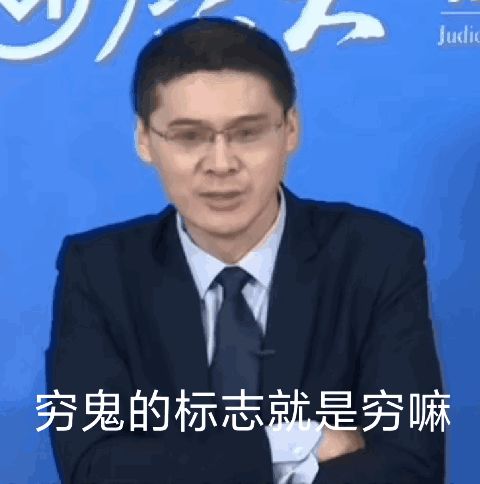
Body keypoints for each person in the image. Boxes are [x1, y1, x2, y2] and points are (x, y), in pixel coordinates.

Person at [47, 17, 445, 484]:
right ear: (144, 140)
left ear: (290, 129)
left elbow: (411, 468)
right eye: (189, 136)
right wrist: (291, 444)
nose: (221, 164)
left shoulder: (377, 257)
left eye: (248, 133)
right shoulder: (99, 271)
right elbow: (93, 468)